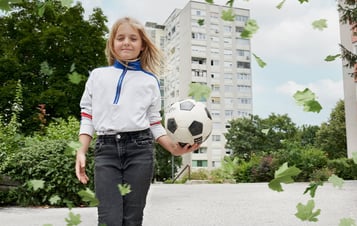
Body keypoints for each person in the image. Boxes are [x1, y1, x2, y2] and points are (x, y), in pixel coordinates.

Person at [75, 17, 200, 226]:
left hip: (140, 151)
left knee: (132, 219)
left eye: (133, 38)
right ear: (112, 43)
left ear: (142, 46)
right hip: (106, 152)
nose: (126, 42)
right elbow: (87, 115)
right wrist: (81, 150)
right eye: (120, 37)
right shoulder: (98, 76)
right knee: (109, 219)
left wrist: (173, 148)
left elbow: (154, 122)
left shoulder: (150, 81)